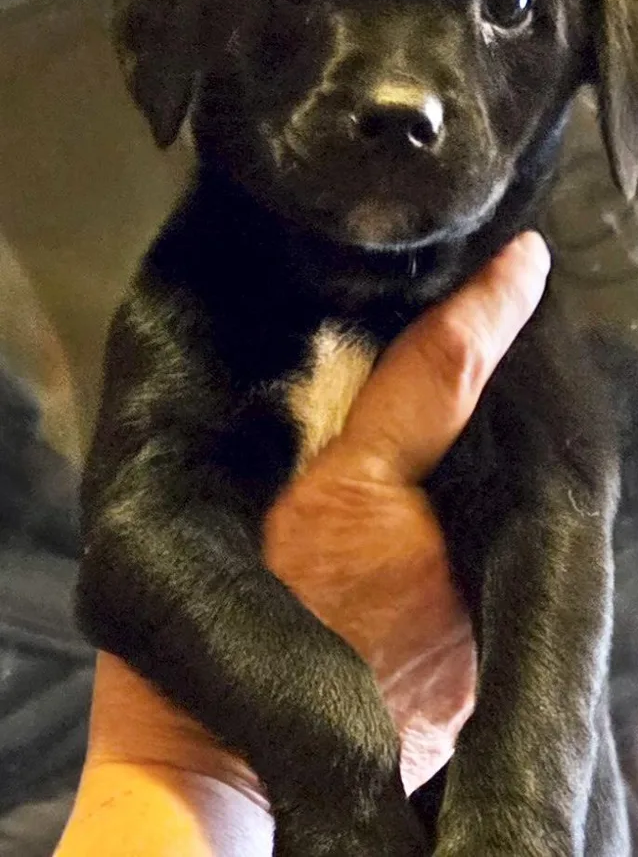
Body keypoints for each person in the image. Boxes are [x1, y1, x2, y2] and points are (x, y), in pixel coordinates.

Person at [54, 231, 551, 857]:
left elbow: (556, 537)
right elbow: (129, 549)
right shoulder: (187, 311)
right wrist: (212, 762)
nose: (411, 123)